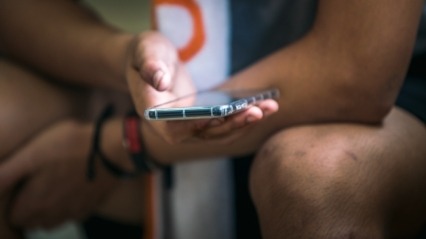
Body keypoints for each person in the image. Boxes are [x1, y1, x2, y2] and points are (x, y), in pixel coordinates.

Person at [0, 0, 426, 239]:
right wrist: (126, 56)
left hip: (363, 106)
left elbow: (353, 75)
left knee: (317, 173)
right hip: (159, 84)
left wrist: (121, 144)